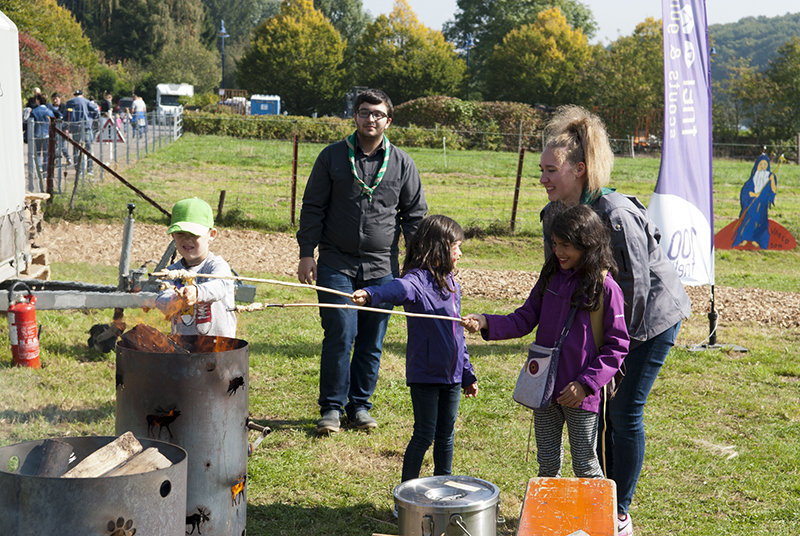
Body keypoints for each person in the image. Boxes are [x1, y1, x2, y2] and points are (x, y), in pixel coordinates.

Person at [537, 105, 691, 536]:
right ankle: (597, 500)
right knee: (599, 409)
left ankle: (617, 513)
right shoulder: (554, 215)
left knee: (622, 411)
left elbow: (637, 287)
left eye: (551, 170)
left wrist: (614, 357)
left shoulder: (617, 213)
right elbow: (557, 281)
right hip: (605, 324)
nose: (543, 179)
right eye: (541, 170)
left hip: (647, 321)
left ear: (579, 170)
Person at [296, 88, 428, 435]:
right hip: (335, 264)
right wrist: (307, 253)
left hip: (382, 268)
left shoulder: (402, 163)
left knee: (372, 339)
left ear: (389, 120)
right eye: (365, 112)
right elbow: (313, 207)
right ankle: (331, 408)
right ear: (354, 116)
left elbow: (415, 216)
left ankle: (360, 406)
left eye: (378, 114)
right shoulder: (331, 157)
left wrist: (418, 265)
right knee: (341, 332)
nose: (371, 119)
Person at [465, 204, 628, 480]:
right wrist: (486, 322)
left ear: (588, 244)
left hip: (580, 394)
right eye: (555, 243)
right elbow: (524, 319)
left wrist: (585, 385)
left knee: (586, 466)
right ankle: (547, 511)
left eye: (566, 245)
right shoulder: (551, 275)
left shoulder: (607, 287)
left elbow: (617, 346)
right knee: (548, 466)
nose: (558, 251)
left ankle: (595, 512)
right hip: (543, 388)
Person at [352, 215, 478, 482]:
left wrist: (467, 373)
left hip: (453, 377)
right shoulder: (417, 281)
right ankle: (406, 493)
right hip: (426, 375)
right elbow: (397, 289)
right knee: (424, 435)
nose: (460, 254)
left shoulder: (452, 284)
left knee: (446, 436)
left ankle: (443, 488)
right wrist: (372, 294)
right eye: (457, 247)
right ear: (440, 247)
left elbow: (457, 334)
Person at [155, 198, 237, 338]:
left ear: (211, 235)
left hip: (219, 345)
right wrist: (175, 300)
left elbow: (219, 286)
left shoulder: (217, 266)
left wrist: (197, 292)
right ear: (173, 235)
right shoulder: (172, 272)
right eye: (181, 234)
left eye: (194, 234)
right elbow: (162, 300)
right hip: (183, 345)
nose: (187, 240)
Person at [65, 89, 100, 174]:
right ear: (82, 95)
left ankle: (78, 170)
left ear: (75, 95)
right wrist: (92, 118)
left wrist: (67, 125)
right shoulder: (87, 102)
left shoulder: (70, 102)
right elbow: (96, 110)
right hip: (86, 126)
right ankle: (90, 169)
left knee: (76, 148)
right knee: (88, 148)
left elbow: (65, 115)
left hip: (75, 126)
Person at [30, 93, 55, 175]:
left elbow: (31, 124)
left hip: (37, 134)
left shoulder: (34, 111)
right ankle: (45, 172)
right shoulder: (49, 111)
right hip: (47, 134)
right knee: (46, 154)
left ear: (38, 100)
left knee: (37, 153)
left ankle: (39, 168)